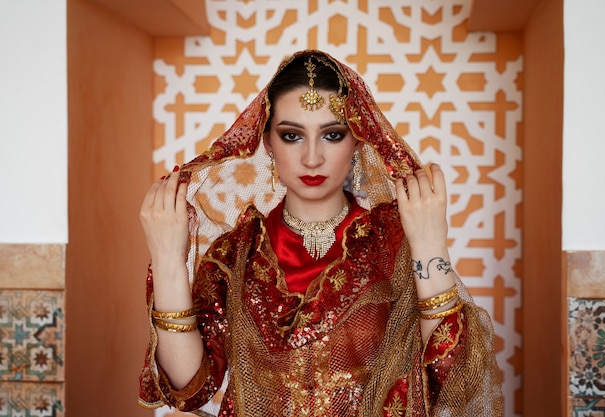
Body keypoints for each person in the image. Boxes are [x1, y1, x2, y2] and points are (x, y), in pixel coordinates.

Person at [138, 49, 503, 416]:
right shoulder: (236, 254)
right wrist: (169, 259)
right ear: (267, 143)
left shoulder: (392, 243)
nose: (312, 158)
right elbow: (188, 391)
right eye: (292, 136)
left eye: (331, 134)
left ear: (358, 139)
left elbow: (452, 381)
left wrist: (429, 245)